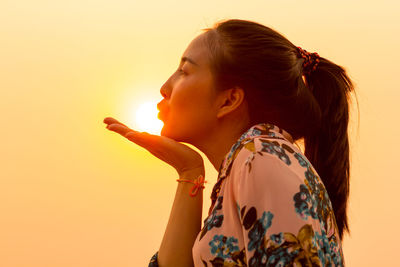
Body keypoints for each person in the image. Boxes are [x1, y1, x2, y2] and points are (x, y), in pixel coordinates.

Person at [104, 19, 357, 266]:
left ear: (229, 100)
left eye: (184, 71)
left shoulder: (261, 159)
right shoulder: (251, 161)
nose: (164, 87)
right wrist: (189, 171)